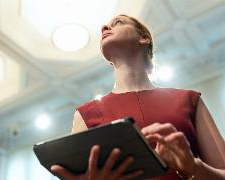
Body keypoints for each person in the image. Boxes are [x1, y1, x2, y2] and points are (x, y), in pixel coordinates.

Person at [50, 15, 225, 180]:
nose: (104, 27)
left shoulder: (189, 100)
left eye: (118, 22)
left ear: (144, 38)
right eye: (105, 26)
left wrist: (193, 167)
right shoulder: (85, 114)